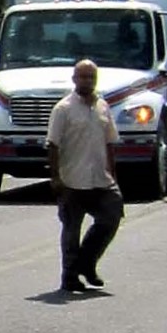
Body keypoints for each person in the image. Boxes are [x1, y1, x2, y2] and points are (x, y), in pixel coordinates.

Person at [46, 58, 123, 292]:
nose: (87, 81)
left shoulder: (103, 106)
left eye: (91, 77)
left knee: (112, 215)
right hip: (72, 179)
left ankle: (87, 263)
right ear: (74, 79)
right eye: (83, 76)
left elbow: (110, 141)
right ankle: (70, 275)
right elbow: (52, 145)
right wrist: (56, 177)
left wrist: (113, 173)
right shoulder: (63, 109)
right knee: (71, 229)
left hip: (100, 178)